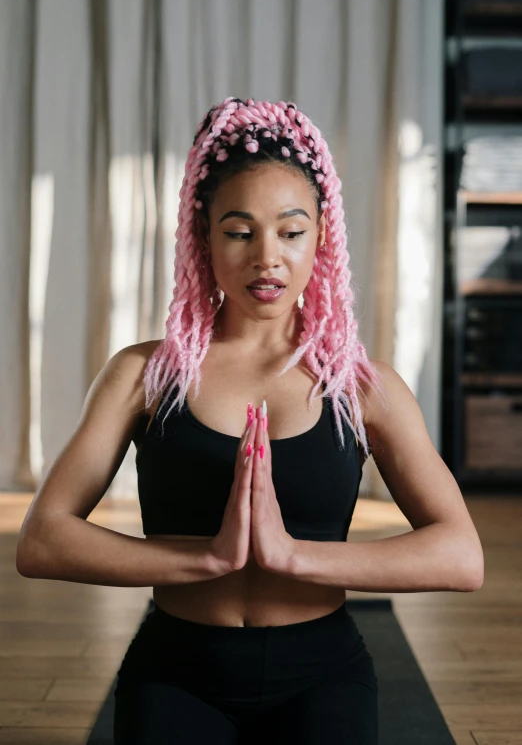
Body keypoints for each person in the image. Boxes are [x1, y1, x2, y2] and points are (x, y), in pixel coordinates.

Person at [16, 97, 484, 745]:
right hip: (178, 668)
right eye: (239, 232)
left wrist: (293, 556)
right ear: (202, 237)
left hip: (322, 673)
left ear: (322, 237)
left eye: (291, 231)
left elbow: (461, 555)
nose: (267, 257)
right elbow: (42, 540)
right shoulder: (143, 376)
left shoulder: (361, 386)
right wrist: (204, 558)